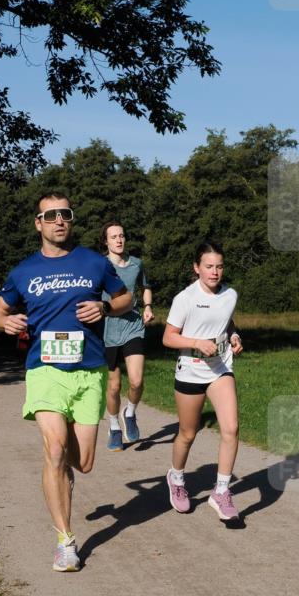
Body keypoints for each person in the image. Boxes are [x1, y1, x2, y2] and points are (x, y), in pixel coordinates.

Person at [0, 192, 131, 572]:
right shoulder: (23, 272)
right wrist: (5, 323)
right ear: (38, 223)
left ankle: (65, 475)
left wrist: (104, 306)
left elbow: (126, 299)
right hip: (44, 370)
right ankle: (64, 542)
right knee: (54, 452)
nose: (58, 221)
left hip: (89, 369)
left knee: (81, 463)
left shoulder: (94, 261)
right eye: (50, 216)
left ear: (71, 220)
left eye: (64, 214)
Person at [162, 241, 243, 521]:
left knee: (231, 428)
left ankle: (221, 492)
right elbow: (168, 337)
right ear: (197, 268)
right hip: (190, 371)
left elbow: (226, 322)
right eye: (208, 266)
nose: (215, 272)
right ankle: (177, 478)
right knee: (187, 433)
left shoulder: (230, 294)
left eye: (219, 266)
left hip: (220, 369)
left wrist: (234, 336)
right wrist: (197, 342)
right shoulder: (184, 298)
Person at [99, 220, 154, 450]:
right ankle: (113, 427)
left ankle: (129, 412)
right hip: (107, 330)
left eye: (121, 236)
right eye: (114, 237)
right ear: (106, 242)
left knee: (137, 380)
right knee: (113, 387)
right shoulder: (99, 266)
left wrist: (148, 306)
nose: (119, 240)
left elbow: (146, 286)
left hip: (132, 326)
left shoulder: (137, 264)